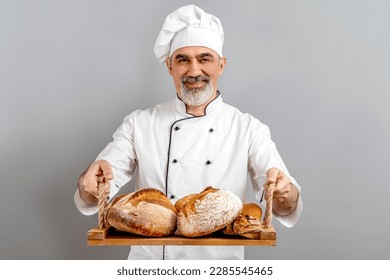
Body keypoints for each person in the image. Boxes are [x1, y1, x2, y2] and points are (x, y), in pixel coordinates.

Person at [75, 4, 302, 260]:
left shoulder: (248, 128)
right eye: (183, 60)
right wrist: (90, 184)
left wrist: (284, 192)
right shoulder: (138, 124)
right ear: (170, 67)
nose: (194, 71)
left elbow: (286, 205)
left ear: (221, 65)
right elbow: (94, 191)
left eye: (204, 58)